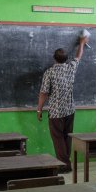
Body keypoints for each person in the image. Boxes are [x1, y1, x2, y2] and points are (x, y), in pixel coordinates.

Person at [36, 35, 88, 173]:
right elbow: (78, 56)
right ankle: (65, 162)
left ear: (54, 58)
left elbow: (43, 93)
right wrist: (82, 43)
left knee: (58, 138)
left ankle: (65, 165)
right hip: (70, 110)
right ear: (66, 59)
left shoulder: (49, 72)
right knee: (67, 137)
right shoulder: (71, 67)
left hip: (56, 112)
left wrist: (39, 110)